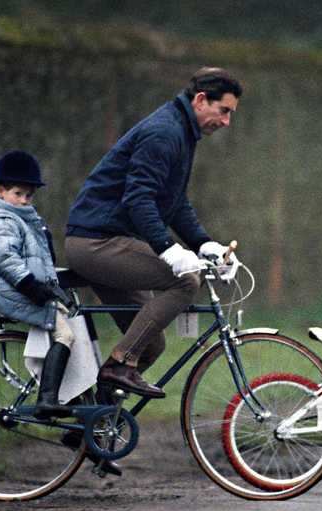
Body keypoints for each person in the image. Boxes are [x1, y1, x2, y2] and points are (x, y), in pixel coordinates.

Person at [65, 67, 243, 399]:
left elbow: (173, 204)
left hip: (103, 241)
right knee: (186, 280)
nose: (227, 121)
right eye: (225, 111)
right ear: (201, 100)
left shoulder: (181, 131)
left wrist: (205, 245)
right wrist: (168, 249)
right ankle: (119, 365)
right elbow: (139, 198)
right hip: (95, 243)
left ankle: (89, 421)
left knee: (149, 345)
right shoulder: (165, 133)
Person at [0, 150, 75, 419]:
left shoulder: (21, 219)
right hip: (18, 293)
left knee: (75, 324)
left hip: (27, 291)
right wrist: (34, 288)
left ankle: (75, 399)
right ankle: (48, 400)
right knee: (66, 335)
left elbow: (37, 260)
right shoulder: (2, 219)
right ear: (0, 191)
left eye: (28, 196)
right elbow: (8, 260)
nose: (24, 200)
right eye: (18, 194)